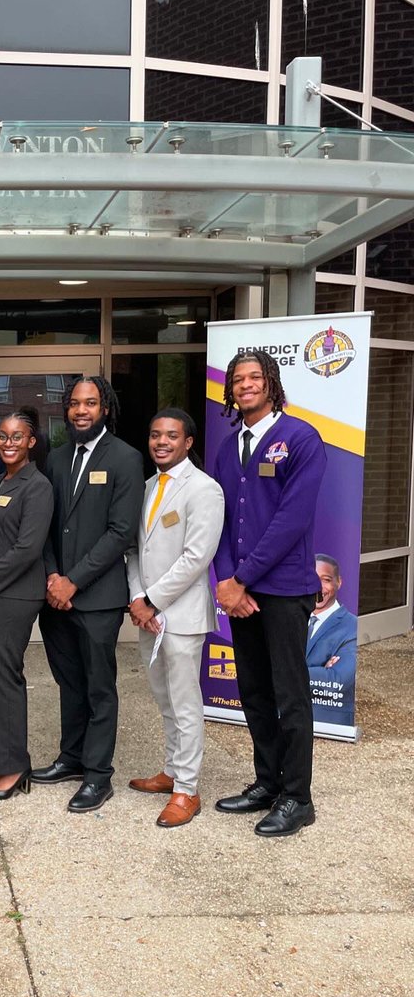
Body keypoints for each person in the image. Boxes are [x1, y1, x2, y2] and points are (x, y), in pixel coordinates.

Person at [212, 350, 327, 837]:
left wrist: (243, 579)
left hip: (280, 590)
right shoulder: (227, 445)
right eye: (238, 380)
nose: (245, 385)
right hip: (239, 593)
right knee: (254, 692)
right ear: (231, 390)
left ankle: (298, 797)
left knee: (290, 696)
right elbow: (217, 519)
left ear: (271, 383)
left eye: (255, 377)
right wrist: (224, 580)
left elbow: (291, 520)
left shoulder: (300, 439)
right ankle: (267, 782)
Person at [33, 375, 143, 813]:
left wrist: (73, 581)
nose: (81, 410)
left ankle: (98, 776)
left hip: (97, 596)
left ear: (106, 409)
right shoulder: (55, 458)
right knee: (68, 682)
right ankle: (72, 757)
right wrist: (52, 577)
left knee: (99, 687)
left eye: (91, 403)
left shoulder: (126, 458)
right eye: (75, 403)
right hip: (54, 595)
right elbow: (42, 522)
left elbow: (120, 533)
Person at [126, 408, 224, 827]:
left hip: (179, 617)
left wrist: (153, 601)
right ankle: (171, 771)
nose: (161, 442)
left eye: (171, 435)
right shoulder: (147, 486)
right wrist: (137, 598)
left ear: (188, 443)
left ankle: (187, 789)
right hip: (148, 614)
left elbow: (197, 557)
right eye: (154, 434)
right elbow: (134, 550)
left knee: (185, 704)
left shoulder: (204, 489)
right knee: (164, 699)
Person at [0, 407, 53, 801]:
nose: (8, 443)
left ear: (31, 442)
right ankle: (4, 763)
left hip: (16, 595)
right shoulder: (0, 481)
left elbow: (26, 549)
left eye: (17, 436)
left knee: (4, 680)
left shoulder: (37, 486)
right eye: (2, 436)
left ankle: (14, 768)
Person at [307, 553, 358, 726]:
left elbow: (337, 680)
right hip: (280, 717)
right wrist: (320, 669)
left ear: (339, 582)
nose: (318, 587)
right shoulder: (290, 616)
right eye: (313, 578)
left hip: (325, 720)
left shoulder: (351, 627)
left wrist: (286, 672)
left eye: (326, 579)